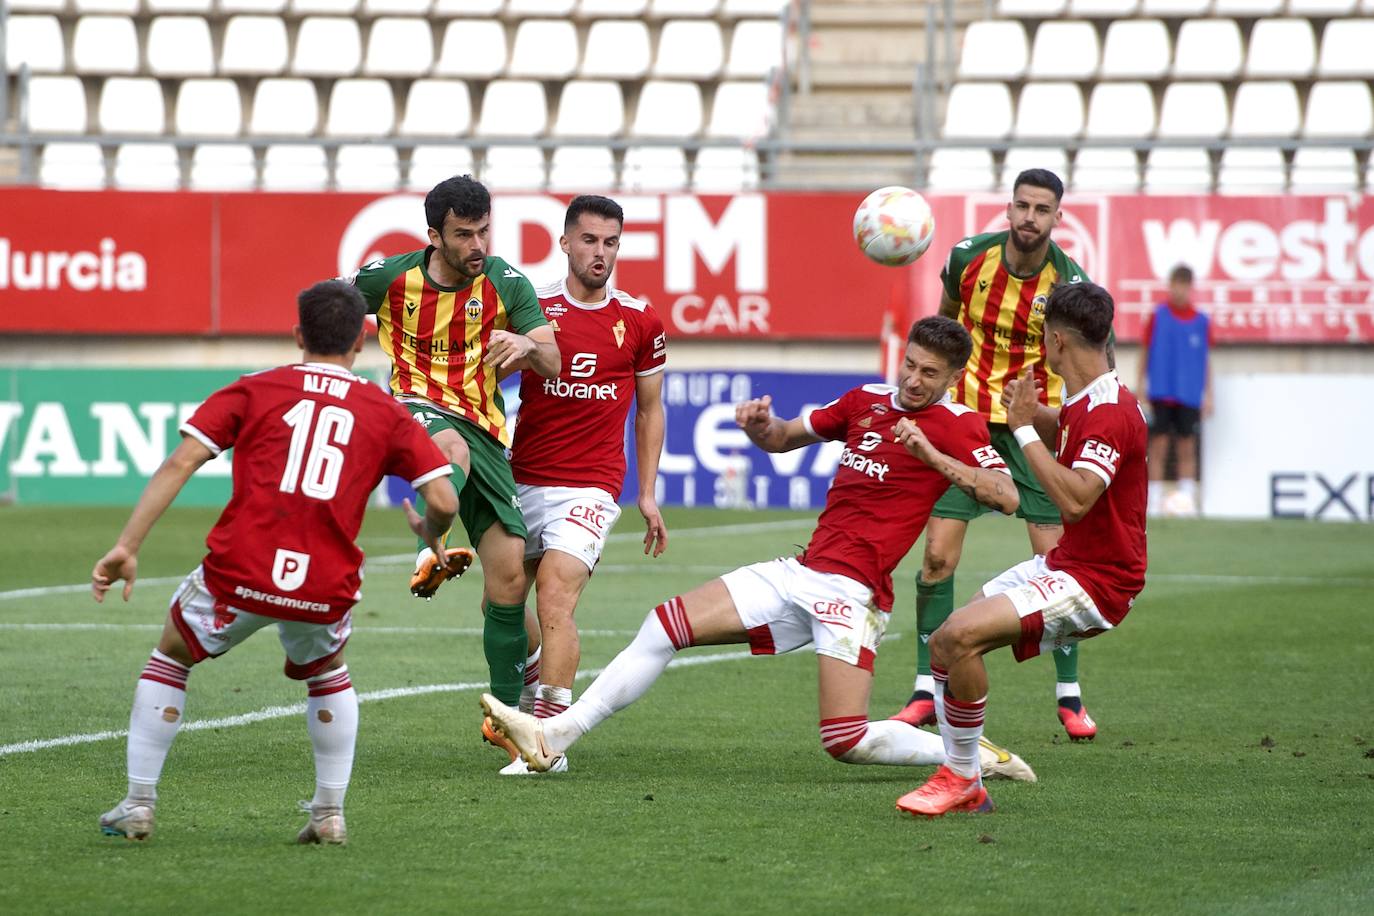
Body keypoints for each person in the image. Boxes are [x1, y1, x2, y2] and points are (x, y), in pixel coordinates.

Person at [479, 317, 1037, 788]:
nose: (914, 379)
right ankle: (553, 737)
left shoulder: (958, 425)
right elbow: (785, 438)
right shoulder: (865, 402)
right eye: (910, 365)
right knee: (663, 626)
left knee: (844, 741)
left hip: (855, 593)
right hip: (800, 572)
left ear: (955, 376)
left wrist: (932, 455)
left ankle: (965, 753)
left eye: (929, 374)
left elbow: (1007, 496)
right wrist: (758, 426)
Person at [91, 280, 460, 844]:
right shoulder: (385, 412)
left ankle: (139, 802)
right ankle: (329, 814)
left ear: (297, 336)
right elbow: (443, 500)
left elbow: (180, 462)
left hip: (241, 570)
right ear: (360, 343)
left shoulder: (254, 391)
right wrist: (430, 534)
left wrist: (127, 545)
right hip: (323, 582)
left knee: (171, 653)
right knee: (327, 673)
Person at [896, 282, 1147, 817]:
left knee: (959, 637)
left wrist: (1023, 430)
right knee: (947, 641)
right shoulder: (1088, 398)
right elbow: (1074, 432)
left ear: (1057, 341)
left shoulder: (1112, 412)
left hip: (1099, 581)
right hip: (1068, 564)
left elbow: (1077, 501)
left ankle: (961, 776)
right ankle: (968, 761)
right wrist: (1038, 415)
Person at [892, 167, 1101, 741]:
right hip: (966, 422)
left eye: (1042, 210)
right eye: (1022, 206)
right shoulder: (968, 259)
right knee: (936, 559)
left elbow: (1083, 365)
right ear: (1008, 209)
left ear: (1058, 218)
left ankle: (1068, 693)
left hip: (1032, 424)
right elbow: (941, 331)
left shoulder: (1069, 282)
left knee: (1058, 564)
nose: (1029, 218)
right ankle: (924, 689)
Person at [349, 175, 560, 715]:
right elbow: (328, 310)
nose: (478, 246)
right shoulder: (390, 278)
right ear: (434, 236)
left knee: (510, 577)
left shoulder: (507, 283)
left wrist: (523, 343)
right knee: (451, 452)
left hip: (486, 428)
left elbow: (552, 358)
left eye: (484, 231)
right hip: (417, 408)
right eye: (464, 235)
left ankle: (508, 719)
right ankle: (430, 544)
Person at [484, 195, 669, 775]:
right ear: (565, 243)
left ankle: (547, 739)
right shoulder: (531, 308)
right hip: (523, 476)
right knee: (505, 601)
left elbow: (650, 409)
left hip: (591, 485)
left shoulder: (640, 320)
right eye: (590, 240)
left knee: (556, 596)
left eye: (611, 242)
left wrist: (646, 492)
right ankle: (535, 677)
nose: (601, 253)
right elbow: (484, 378)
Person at [1137, 264, 1212, 518]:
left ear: (1190, 287)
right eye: (1175, 285)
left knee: (1186, 447)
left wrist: (1208, 394)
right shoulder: (1158, 316)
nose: (1179, 290)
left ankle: (1186, 500)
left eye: (1183, 285)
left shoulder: (1201, 321)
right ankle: (1154, 500)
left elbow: (1206, 359)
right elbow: (1145, 350)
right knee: (1158, 446)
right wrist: (1141, 384)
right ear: (1170, 285)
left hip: (1189, 394)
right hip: (1161, 391)